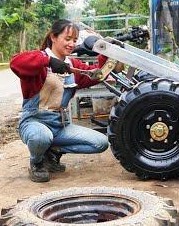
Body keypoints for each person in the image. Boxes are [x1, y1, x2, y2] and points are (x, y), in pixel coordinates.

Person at [10, 19, 110, 182]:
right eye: (67, 38)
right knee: (41, 137)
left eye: (75, 40)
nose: (71, 44)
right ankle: (37, 162)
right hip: (34, 122)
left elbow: (95, 75)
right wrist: (48, 61)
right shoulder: (39, 59)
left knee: (100, 143)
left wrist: (106, 51)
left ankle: (53, 151)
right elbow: (15, 62)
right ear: (53, 37)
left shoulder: (72, 65)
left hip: (60, 125)